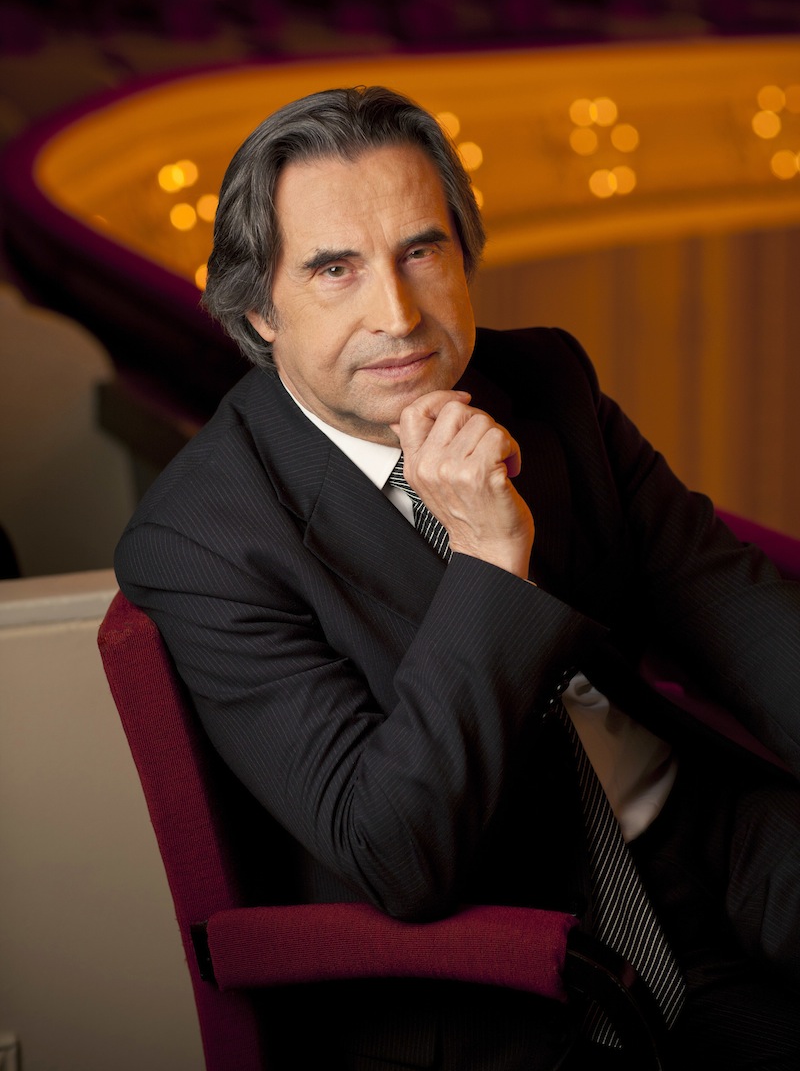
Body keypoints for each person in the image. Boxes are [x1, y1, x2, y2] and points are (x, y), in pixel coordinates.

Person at [115, 85, 800, 1070]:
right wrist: (487, 556)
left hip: (711, 837)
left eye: (420, 252)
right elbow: (397, 852)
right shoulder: (200, 541)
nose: (396, 315)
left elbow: (727, 602)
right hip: (528, 954)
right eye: (335, 270)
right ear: (259, 309)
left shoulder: (543, 382)